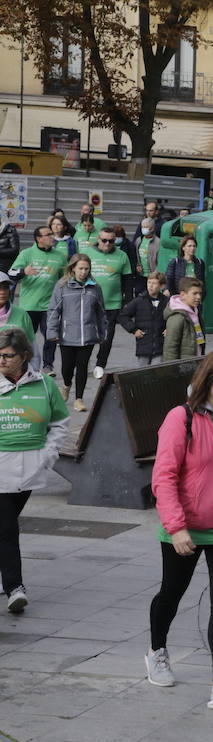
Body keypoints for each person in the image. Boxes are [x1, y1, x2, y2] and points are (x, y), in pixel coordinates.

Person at [145, 350, 213, 710]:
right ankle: (157, 650)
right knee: (171, 595)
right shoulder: (182, 418)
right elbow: (164, 476)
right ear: (209, 381)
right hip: (186, 528)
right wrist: (176, 527)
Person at [0, 327, 69, 614]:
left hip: (30, 470)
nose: (2, 360)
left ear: (25, 356)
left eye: (8, 355)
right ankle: (15, 587)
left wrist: (48, 455)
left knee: (4, 525)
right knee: (7, 528)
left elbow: (59, 422)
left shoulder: (44, 385)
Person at [47, 254, 104, 412]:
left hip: (88, 335)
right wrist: (52, 331)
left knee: (83, 366)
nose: (83, 272)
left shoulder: (95, 288)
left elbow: (101, 312)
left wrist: (102, 332)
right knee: (67, 367)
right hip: (67, 335)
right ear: (73, 268)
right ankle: (66, 385)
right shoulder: (62, 286)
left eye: (86, 269)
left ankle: (79, 398)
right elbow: (53, 310)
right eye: (80, 268)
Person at [9, 225, 68, 373]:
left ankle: (48, 365)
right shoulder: (27, 254)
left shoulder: (60, 256)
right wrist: (24, 271)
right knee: (26, 338)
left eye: (51, 234)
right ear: (39, 239)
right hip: (29, 305)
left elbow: (64, 279)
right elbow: (11, 272)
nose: (52, 237)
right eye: (48, 235)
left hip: (50, 305)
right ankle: (25, 365)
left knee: (51, 335)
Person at [85, 228, 131, 379]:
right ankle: (84, 362)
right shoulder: (87, 254)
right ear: (98, 239)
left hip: (112, 304)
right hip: (90, 302)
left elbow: (127, 281)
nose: (107, 243)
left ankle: (100, 364)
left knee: (107, 337)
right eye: (104, 240)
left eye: (111, 241)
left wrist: (128, 303)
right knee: (88, 334)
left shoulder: (122, 256)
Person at [118, 270, 169, 366]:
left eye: (154, 283)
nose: (150, 286)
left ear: (162, 286)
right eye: (149, 282)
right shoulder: (139, 301)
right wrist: (134, 330)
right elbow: (123, 315)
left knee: (157, 371)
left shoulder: (167, 302)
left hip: (160, 345)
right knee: (142, 373)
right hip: (143, 344)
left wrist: (169, 328)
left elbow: (173, 317)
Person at [163, 277, 206, 362]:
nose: (198, 297)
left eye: (200, 293)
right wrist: (172, 372)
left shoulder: (195, 312)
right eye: (194, 293)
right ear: (182, 295)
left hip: (196, 361)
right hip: (183, 367)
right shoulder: (177, 317)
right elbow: (170, 349)